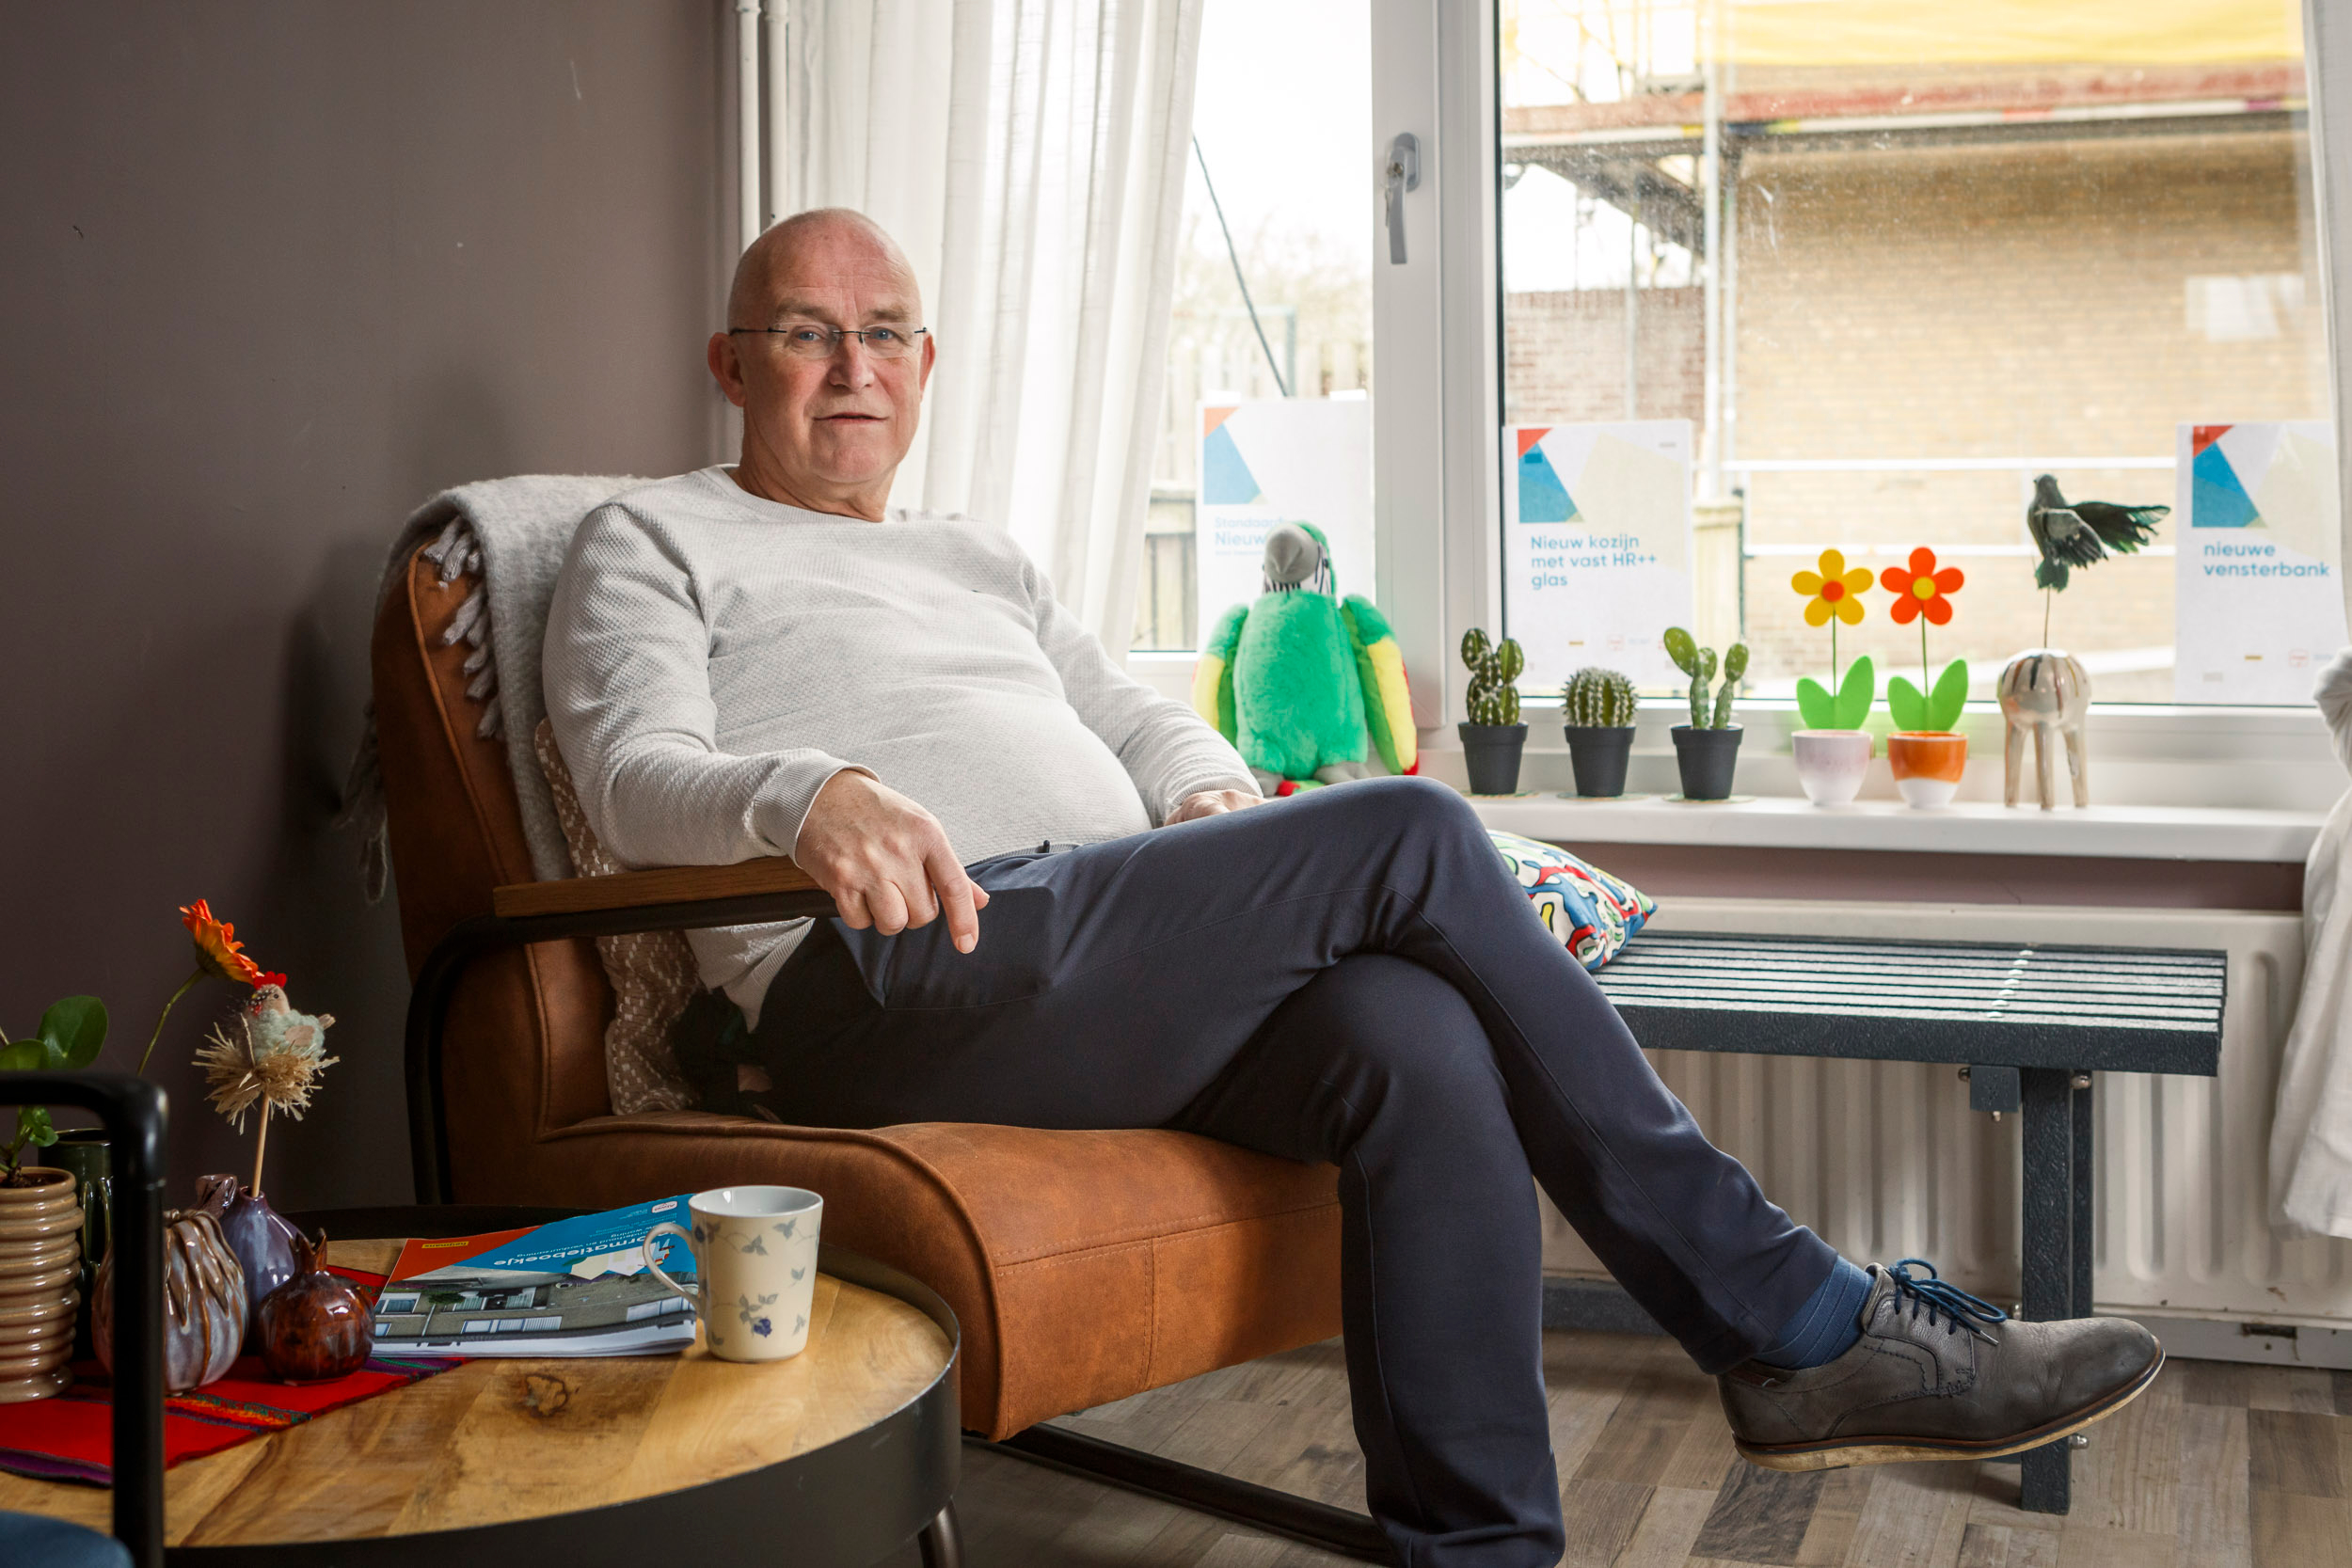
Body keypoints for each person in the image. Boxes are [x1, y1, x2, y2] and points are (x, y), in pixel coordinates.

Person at [544, 209, 2162, 1568]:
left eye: (885, 334)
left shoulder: (983, 558)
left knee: (1411, 1038)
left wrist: (1201, 790)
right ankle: (1799, 1323)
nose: (854, 367)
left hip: (1085, 947)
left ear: (925, 363)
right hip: (887, 970)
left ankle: (1483, 1554)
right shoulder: (655, 538)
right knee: (1409, 828)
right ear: (732, 363)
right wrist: (808, 792)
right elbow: (630, 770)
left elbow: (1134, 715)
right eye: (809, 334)